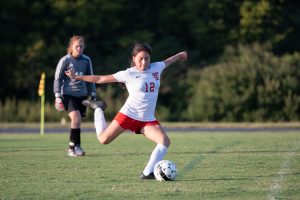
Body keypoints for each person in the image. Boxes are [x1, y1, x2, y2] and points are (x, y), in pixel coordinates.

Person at [65, 43, 187, 179]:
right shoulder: (128, 74)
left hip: (147, 120)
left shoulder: (156, 67)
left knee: (164, 141)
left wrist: (180, 55)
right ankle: (98, 108)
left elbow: (168, 61)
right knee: (103, 139)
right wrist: (77, 77)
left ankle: (147, 173)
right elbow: (100, 79)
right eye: (140, 58)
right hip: (128, 115)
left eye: (147, 58)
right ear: (134, 58)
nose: (144, 61)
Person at [53, 35, 106, 157]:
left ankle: (77, 146)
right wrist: (57, 96)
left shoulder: (86, 60)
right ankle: (71, 148)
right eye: (76, 46)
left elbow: (90, 77)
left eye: (81, 46)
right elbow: (58, 78)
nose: (79, 48)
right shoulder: (65, 60)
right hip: (68, 94)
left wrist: (92, 94)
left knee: (77, 122)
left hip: (82, 95)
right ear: (71, 47)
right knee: (75, 118)